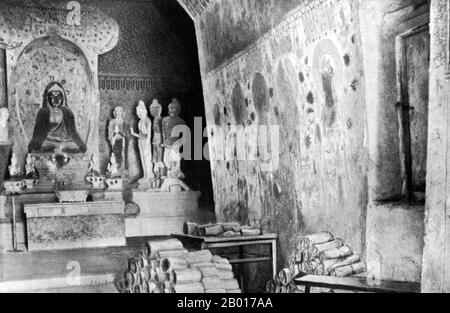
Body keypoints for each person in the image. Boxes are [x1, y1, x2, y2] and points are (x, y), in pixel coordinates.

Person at [29, 82, 87, 154]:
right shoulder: (43, 112)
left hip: (65, 142)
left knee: (74, 145)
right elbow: (38, 132)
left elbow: (73, 132)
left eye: (59, 97)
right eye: (53, 97)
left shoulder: (67, 112)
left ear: (63, 97)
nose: (56, 100)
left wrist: (81, 144)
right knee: (40, 146)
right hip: (49, 141)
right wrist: (36, 142)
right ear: (47, 98)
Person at [130, 100, 154, 186]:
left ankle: (149, 176)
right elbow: (140, 135)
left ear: (144, 111)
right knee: (142, 160)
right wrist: (133, 133)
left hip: (146, 143)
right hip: (140, 142)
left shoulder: (148, 121)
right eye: (137, 113)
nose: (138, 114)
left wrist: (147, 146)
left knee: (147, 159)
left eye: (140, 112)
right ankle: (145, 175)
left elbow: (149, 135)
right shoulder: (140, 122)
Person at [162, 99, 186, 179]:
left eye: (174, 108)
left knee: (174, 161)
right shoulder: (165, 120)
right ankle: (171, 174)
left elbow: (185, 136)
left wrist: (179, 143)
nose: (171, 110)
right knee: (166, 160)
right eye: (170, 108)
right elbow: (163, 131)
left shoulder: (181, 121)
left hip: (175, 144)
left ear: (178, 110)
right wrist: (163, 141)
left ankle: (175, 175)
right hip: (167, 144)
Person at [108, 106, 130, 175]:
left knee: (123, 155)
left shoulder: (126, 123)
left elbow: (128, 134)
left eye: (120, 112)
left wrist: (122, 134)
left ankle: (123, 170)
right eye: (117, 112)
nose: (118, 113)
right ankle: (115, 170)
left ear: (123, 113)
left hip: (123, 142)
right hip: (115, 142)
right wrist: (113, 136)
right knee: (115, 155)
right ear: (114, 113)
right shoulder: (112, 122)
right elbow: (109, 133)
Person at [149, 99, 165, 179]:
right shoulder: (154, 119)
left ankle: (161, 175)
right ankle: (157, 175)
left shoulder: (160, 119)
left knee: (160, 156)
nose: (154, 111)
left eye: (156, 109)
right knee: (155, 157)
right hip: (154, 140)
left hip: (159, 139)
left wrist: (163, 141)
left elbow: (163, 131)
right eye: (152, 109)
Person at [0, 107, 13, 183]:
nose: (6, 115)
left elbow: (11, 139)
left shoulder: (10, 126)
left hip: (6, 148)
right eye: (4, 113)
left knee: (5, 167)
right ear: (0, 114)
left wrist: (6, 142)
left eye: (7, 113)